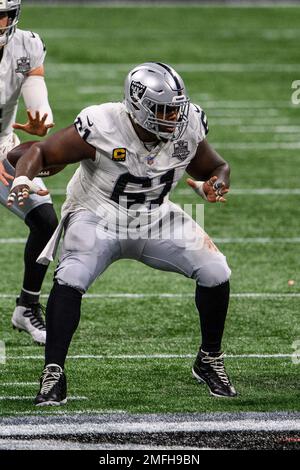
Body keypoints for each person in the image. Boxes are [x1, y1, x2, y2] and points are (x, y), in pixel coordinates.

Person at [8, 62, 237, 405]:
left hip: (156, 217)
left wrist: (215, 183)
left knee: (216, 270)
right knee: (70, 277)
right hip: (96, 215)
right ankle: (53, 372)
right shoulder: (102, 124)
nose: (173, 118)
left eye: (176, 110)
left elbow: (216, 165)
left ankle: (209, 359)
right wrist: (25, 178)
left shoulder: (188, 123)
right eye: (162, 110)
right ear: (138, 105)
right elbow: (39, 151)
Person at [0, 0, 58, 345]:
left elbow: (36, 96)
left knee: (46, 222)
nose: (0, 23)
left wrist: (41, 118)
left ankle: (26, 306)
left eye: (3, 15)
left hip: (4, 144)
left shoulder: (27, 45)